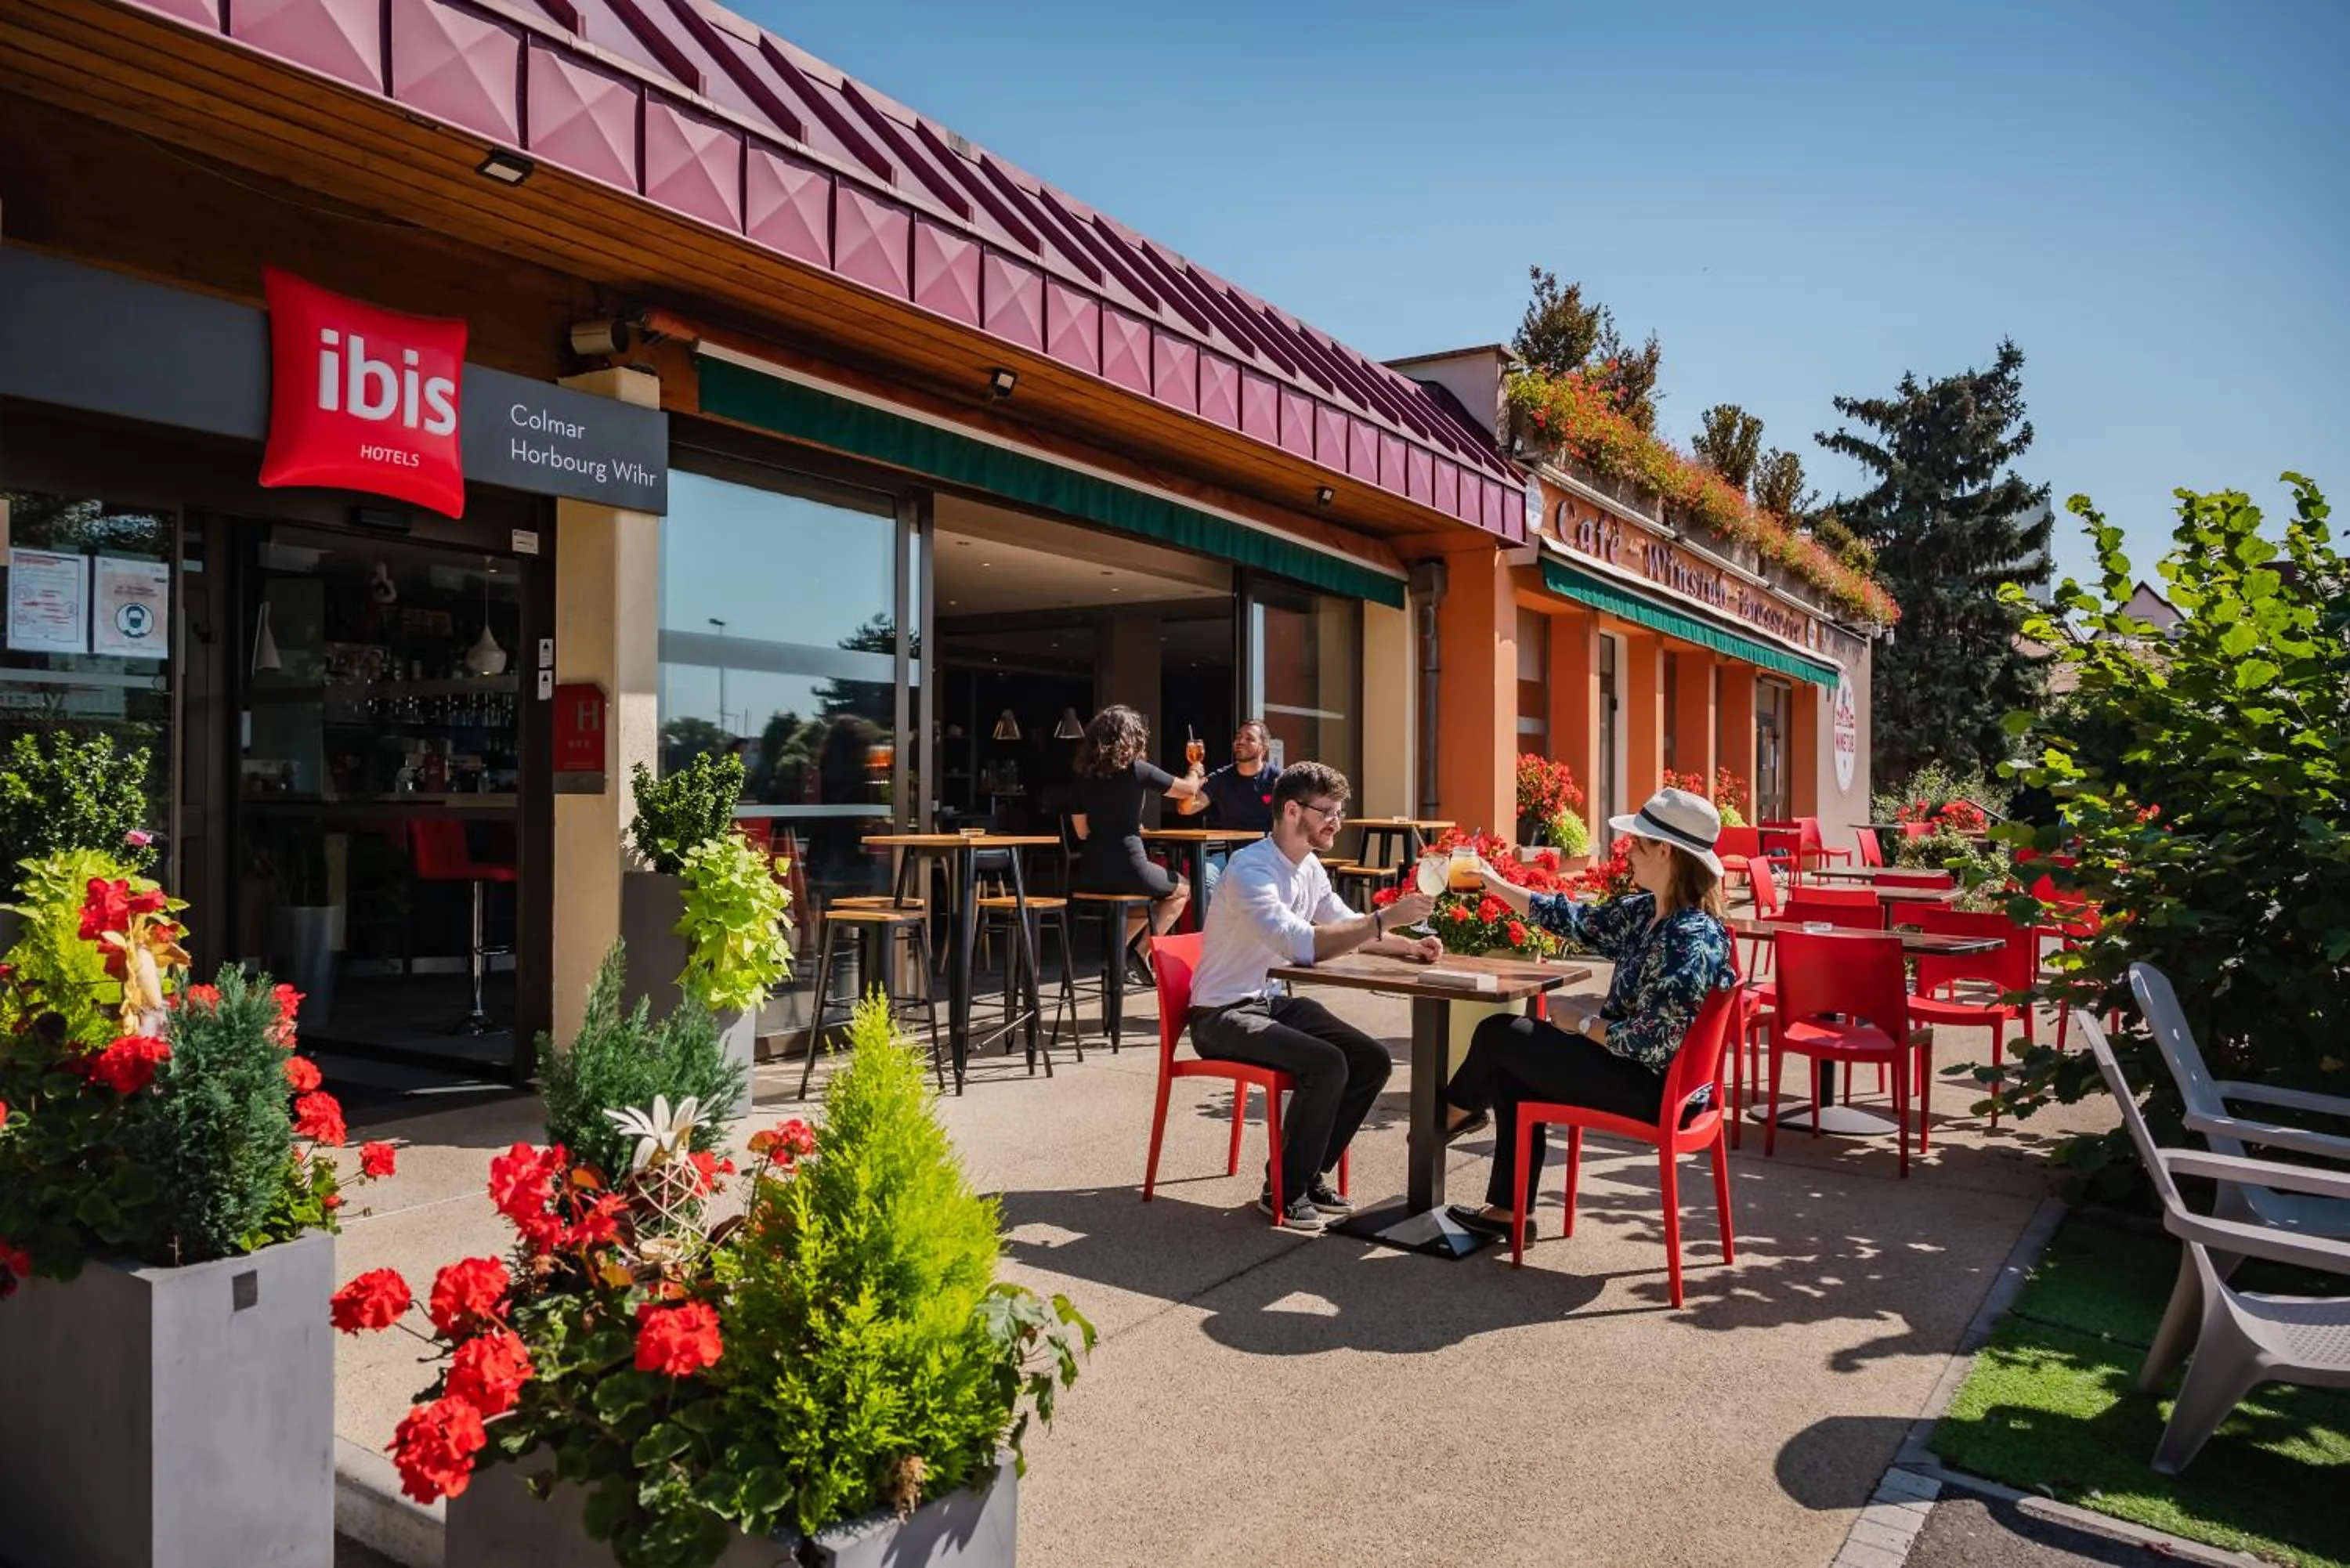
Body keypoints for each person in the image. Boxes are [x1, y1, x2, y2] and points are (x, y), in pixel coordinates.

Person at [1437, 786, 1737, 1242]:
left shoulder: (1688, 939)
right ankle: (1508, 1210)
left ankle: (1449, 1116)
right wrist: (1494, 883)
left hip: (1655, 1090)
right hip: (1636, 1072)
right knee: (1512, 1064)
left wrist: (1581, 1022)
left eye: (1636, 843)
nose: (1627, 851)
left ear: (1665, 851)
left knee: (1501, 1034)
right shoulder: (1649, 913)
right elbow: (1571, 919)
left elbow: (1652, 1041)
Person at [1188, 761, 1441, 1233]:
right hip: (1220, 1013)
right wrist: (1387, 918)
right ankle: (1284, 1190)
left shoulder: (1309, 867)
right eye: (1328, 811)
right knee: (1326, 1064)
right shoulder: (1252, 869)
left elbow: (1347, 925)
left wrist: (1409, 945)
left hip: (1268, 1001)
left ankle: (1306, 1174)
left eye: (1340, 812)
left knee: (1370, 1060)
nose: (1336, 822)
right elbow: (1302, 945)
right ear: (1291, 810)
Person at [1070, 706, 1203, 981]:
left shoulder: (1082, 775)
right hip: (1130, 868)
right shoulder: (1137, 770)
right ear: (1131, 738)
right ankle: (1138, 951)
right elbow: (1187, 790)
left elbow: (1082, 832)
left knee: (1144, 897)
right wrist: (1195, 770)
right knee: (1183, 890)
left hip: (1091, 874)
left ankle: (1118, 954)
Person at [1173, 718, 1282, 899]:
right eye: (1239, 737)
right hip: (1231, 855)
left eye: (1249, 738)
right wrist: (1192, 777)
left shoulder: (1277, 779)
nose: (1241, 741)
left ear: (1263, 748)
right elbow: (1186, 809)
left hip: (1268, 856)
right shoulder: (1221, 778)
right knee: (1205, 879)